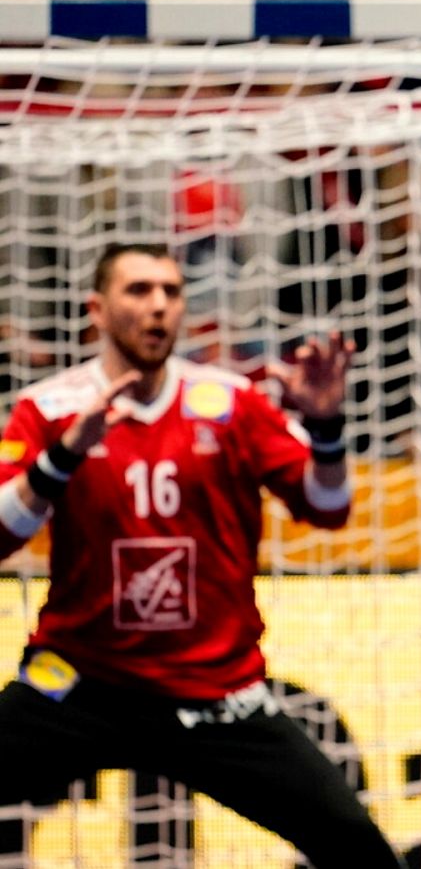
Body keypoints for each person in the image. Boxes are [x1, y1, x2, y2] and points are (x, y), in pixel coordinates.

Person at [0, 244, 398, 867]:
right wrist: (62, 458)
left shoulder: (233, 402)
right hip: (80, 686)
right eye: (138, 291)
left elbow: (327, 508)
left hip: (217, 694)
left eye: (171, 291)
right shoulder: (50, 409)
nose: (158, 305)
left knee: (360, 851)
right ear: (97, 310)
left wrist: (325, 428)